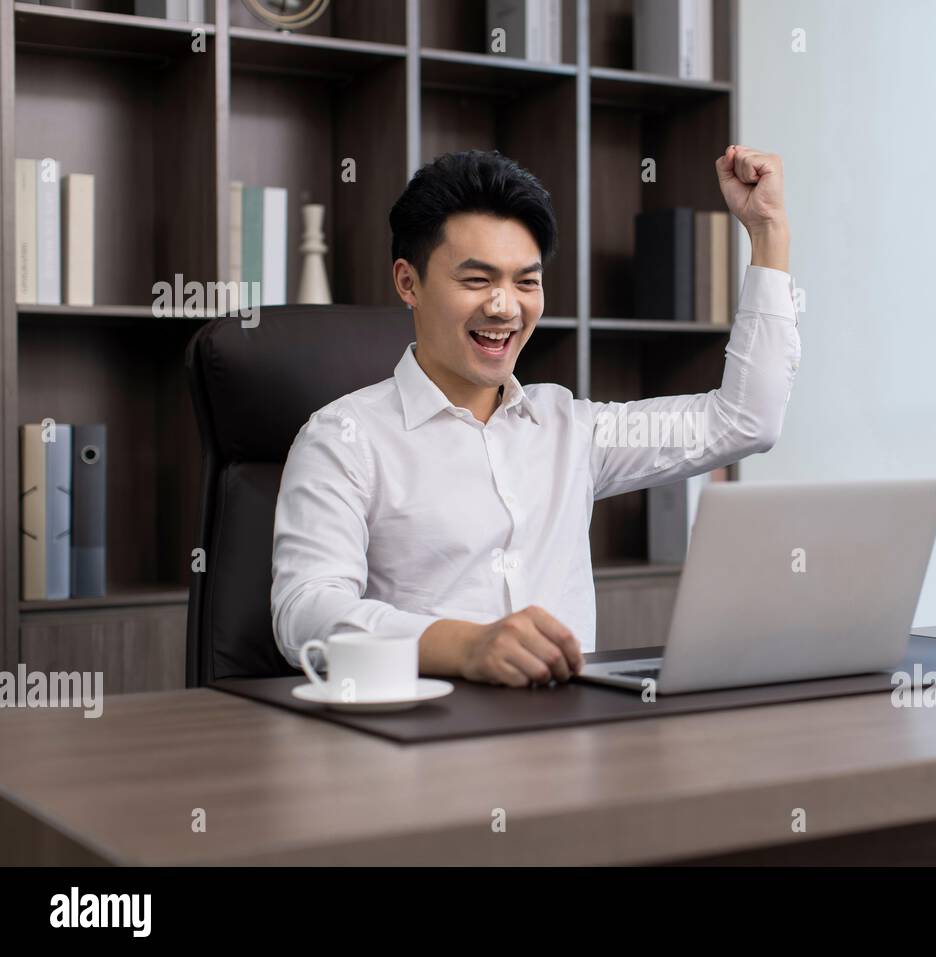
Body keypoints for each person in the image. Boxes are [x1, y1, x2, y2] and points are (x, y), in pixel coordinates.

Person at [271, 145, 800, 687]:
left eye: (526, 282)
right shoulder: (345, 437)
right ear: (408, 283)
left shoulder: (572, 429)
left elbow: (746, 420)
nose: (504, 307)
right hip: (422, 739)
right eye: (476, 280)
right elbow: (305, 614)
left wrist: (768, 232)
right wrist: (465, 645)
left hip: (568, 736)